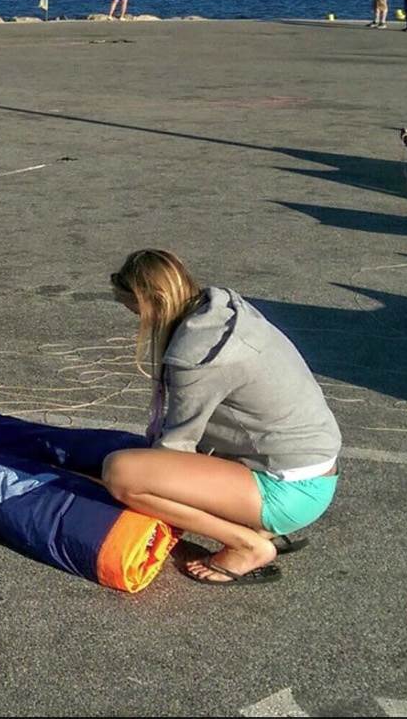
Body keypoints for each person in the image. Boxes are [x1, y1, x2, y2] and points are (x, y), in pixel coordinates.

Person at [99, 249, 341, 586]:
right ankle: (254, 526)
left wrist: (142, 486)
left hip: (289, 492)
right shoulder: (225, 311)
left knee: (121, 473)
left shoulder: (196, 354)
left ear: (148, 302)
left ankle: (248, 545)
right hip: (315, 471)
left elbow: (177, 448)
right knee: (139, 462)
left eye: (129, 305)